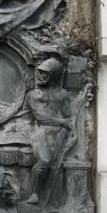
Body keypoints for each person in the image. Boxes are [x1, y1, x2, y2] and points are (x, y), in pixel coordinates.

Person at [26, 58, 72, 204]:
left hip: (60, 134)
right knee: (44, 161)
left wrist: (73, 135)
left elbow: (69, 116)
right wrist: (62, 122)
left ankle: (54, 202)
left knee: (56, 166)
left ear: (53, 76)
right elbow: (41, 117)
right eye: (38, 72)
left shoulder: (63, 94)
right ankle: (34, 193)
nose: (39, 76)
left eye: (44, 74)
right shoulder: (34, 94)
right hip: (41, 132)